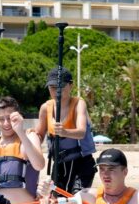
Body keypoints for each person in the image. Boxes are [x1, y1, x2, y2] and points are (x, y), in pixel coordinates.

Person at [35, 68, 96, 196]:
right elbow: (39, 135)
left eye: (61, 86)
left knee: (77, 198)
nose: (57, 91)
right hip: (59, 165)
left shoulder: (79, 103)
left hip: (81, 163)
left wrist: (64, 132)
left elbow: (81, 132)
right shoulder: (45, 108)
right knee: (57, 201)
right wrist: (31, 137)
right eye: (52, 87)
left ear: (71, 85)